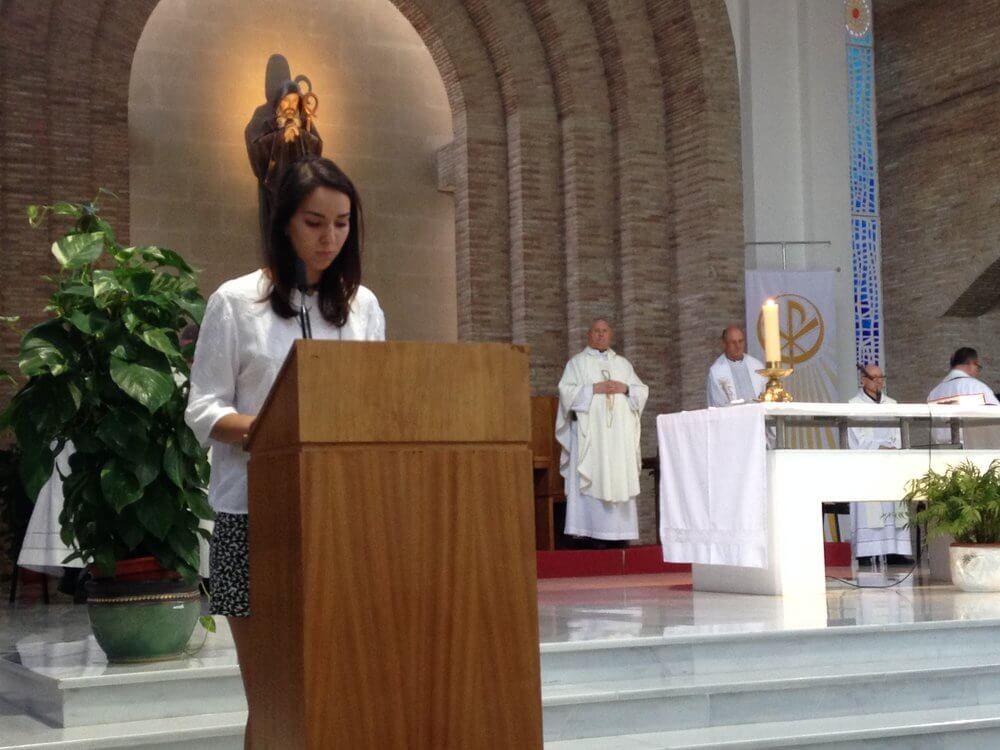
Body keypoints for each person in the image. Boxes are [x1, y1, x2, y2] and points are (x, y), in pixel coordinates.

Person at [185, 157, 385, 746]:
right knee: (272, 694)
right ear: (284, 223)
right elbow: (204, 409)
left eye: (342, 224)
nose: (330, 238)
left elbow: (376, 401)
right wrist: (278, 429)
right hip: (251, 517)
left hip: (342, 516)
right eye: (314, 223)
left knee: (337, 685)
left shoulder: (364, 306)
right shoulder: (235, 301)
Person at [555, 319, 648, 545]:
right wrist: (593, 389)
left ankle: (620, 534)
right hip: (591, 439)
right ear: (589, 335)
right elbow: (566, 392)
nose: (600, 335)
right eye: (596, 331)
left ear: (610, 335)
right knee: (592, 475)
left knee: (617, 476)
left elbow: (641, 391)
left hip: (618, 440)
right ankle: (589, 533)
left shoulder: (623, 365)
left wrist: (625, 388)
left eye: (604, 331)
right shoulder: (577, 364)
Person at [847, 364, 911, 559]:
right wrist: (879, 447)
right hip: (868, 467)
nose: (879, 381)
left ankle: (895, 552)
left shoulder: (892, 404)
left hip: (891, 465)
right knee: (870, 510)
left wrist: (894, 447)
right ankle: (868, 553)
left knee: (893, 506)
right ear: (863, 380)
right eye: (874, 378)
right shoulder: (853, 406)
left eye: (881, 377)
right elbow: (855, 438)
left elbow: (899, 433)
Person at [927, 347, 998, 445]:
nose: (977, 372)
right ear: (972, 363)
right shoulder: (978, 388)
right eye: (978, 367)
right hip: (973, 449)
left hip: (942, 450)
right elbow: (996, 418)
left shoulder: (933, 393)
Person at [706, 325, 767, 406]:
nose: (738, 346)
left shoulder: (757, 366)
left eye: (740, 341)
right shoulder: (717, 372)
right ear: (724, 344)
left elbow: (766, 397)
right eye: (733, 342)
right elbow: (718, 405)